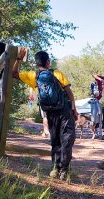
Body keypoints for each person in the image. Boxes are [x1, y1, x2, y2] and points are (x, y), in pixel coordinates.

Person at [13, 49, 78, 180]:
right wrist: (74, 110)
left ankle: (55, 169)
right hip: (64, 111)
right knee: (66, 139)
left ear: (37, 63)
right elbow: (69, 93)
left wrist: (18, 59)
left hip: (49, 112)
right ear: (48, 62)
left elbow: (14, 74)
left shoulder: (33, 75)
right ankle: (64, 171)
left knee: (55, 140)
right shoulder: (57, 73)